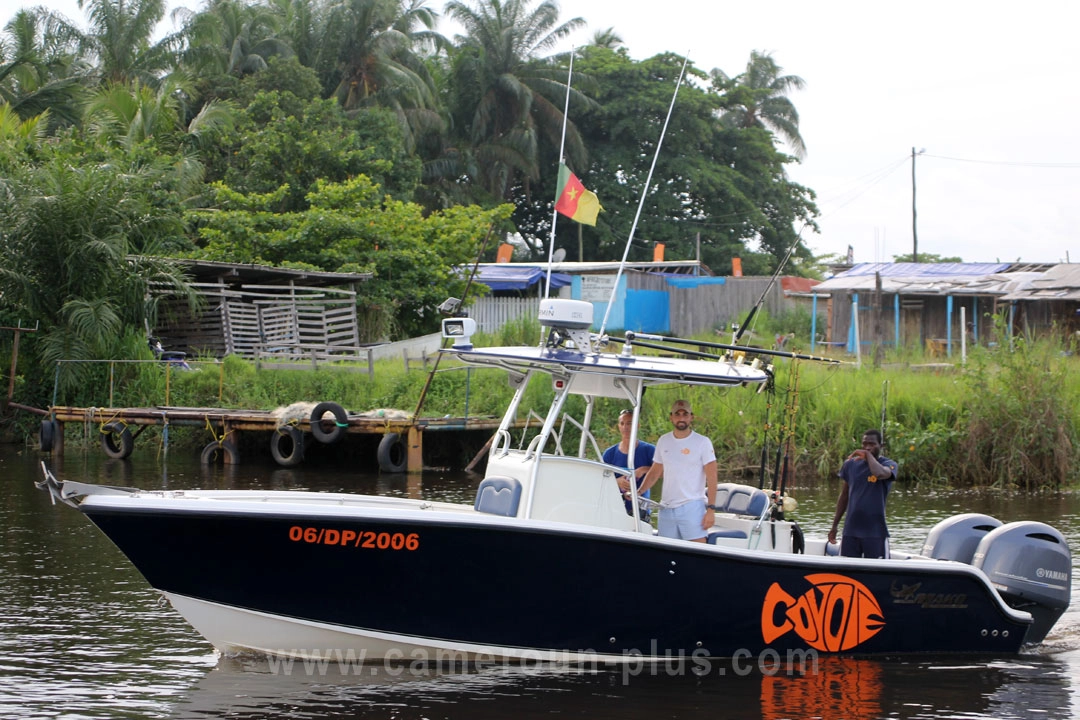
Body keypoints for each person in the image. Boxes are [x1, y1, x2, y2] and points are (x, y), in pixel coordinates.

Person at [636, 400, 717, 542]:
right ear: (671, 417)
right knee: (667, 553)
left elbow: (712, 477)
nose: (681, 418)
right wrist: (639, 492)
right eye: (677, 414)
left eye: (685, 414)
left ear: (691, 417)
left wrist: (711, 509)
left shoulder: (703, 442)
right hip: (666, 507)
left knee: (696, 551)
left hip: (692, 506)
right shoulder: (663, 440)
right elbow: (655, 472)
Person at [828, 429, 898, 558]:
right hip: (851, 531)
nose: (867, 447)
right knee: (846, 572)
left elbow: (880, 473)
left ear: (881, 446)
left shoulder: (888, 464)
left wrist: (868, 455)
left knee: (878, 573)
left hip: (875, 533)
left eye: (872, 444)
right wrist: (834, 526)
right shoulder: (850, 465)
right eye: (865, 444)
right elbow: (844, 496)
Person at [602, 409, 655, 519]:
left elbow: (663, 473)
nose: (625, 427)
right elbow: (601, 481)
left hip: (641, 512)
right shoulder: (609, 454)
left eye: (630, 423)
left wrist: (644, 469)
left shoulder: (649, 450)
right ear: (618, 426)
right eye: (622, 423)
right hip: (615, 510)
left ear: (638, 425)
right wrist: (617, 482)